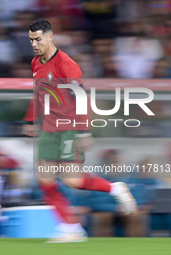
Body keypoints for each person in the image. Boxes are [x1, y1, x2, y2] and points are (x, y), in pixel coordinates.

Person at [23, 19, 137, 243]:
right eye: (31, 40)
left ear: (50, 37)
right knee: (44, 180)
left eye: (38, 39)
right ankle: (71, 229)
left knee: (72, 180)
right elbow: (38, 93)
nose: (34, 44)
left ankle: (115, 188)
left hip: (69, 128)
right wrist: (30, 119)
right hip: (49, 128)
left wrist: (85, 131)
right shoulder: (35, 63)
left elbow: (81, 98)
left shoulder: (66, 63)